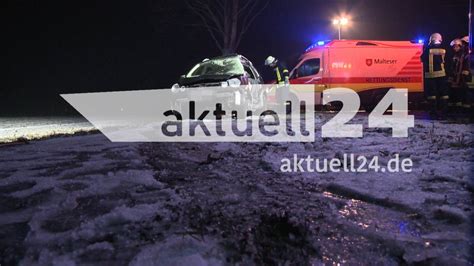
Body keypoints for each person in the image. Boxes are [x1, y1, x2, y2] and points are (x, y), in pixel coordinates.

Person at [421, 33, 449, 118]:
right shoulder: (444, 48)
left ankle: (433, 111)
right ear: (440, 39)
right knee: (444, 94)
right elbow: (448, 60)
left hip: (430, 75)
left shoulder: (428, 49)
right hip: (442, 74)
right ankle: (444, 111)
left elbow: (422, 58)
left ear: (432, 39)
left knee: (432, 95)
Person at [447, 39, 471, 113]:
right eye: (454, 47)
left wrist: (464, 77)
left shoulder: (465, 56)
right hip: (454, 78)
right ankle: (454, 110)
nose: (455, 48)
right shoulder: (453, 56)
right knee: (454, 94)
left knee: (463, 94)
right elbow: (451, 67)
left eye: (457, 47)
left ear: (461, 47)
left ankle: (465, 111)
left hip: (462, 79)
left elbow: (466, 67)